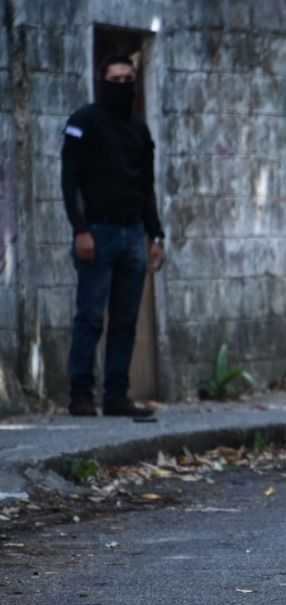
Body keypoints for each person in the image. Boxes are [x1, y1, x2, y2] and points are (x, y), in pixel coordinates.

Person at [61, 53, 165, 418]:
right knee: (90, 316)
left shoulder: (139, 130)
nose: (121, 85)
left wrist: (156, 236)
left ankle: (116, 395)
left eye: (127, 79)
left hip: (134, 233)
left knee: (124, 319)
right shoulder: (83, 122)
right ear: (101, 80)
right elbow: (69, 179)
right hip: (98, 233)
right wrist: (81, 230)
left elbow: (146, 187)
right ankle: (80, 396)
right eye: (115, 79)